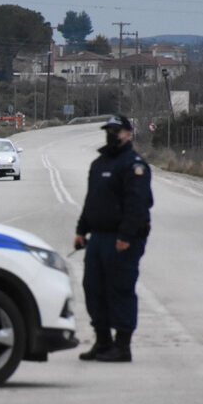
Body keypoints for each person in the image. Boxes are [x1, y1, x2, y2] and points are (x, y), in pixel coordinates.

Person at [73, 115, 153, 362]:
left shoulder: (134, 165)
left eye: (116, 130)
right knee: (93, 288)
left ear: (128, 134)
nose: (112, 134)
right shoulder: (99, 164)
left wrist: (126, 236)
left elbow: (137, 205)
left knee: (120, 288)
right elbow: (92, 201)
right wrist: (81, 230)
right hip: (98, 237)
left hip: (123, 239)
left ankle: (122, 345)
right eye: (109, 130)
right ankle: (103, 340)